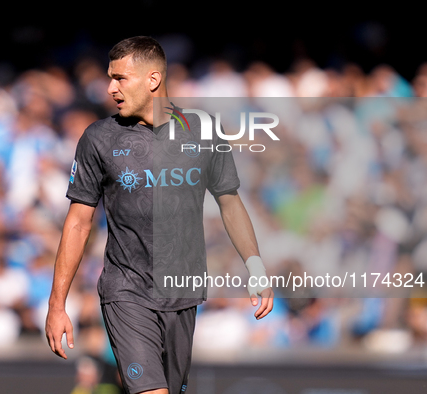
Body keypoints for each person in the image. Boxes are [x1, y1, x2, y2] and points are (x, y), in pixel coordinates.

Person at [46, 36, 274, 394]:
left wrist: (256, 267)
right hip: (126, 291)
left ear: (152, 80)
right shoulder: (98, 139)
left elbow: (229, 201)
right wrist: (57, 304)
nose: (110, 88)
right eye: (110, 77)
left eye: (120, 78)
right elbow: (78, 221)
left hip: (183, 294)